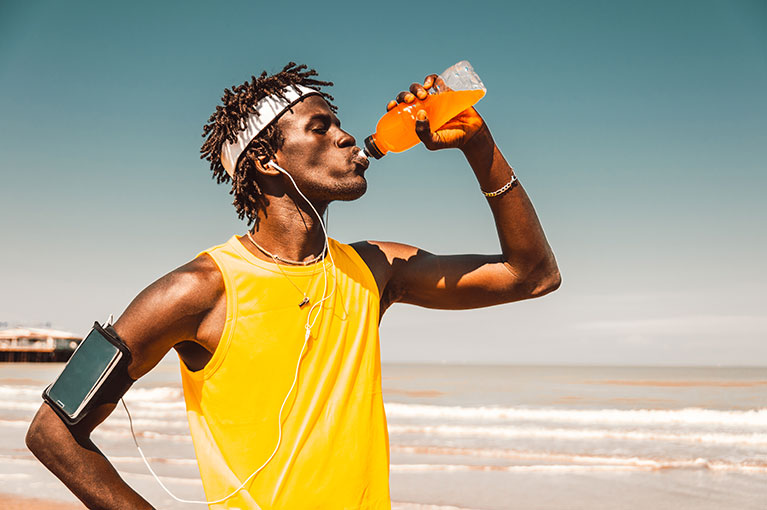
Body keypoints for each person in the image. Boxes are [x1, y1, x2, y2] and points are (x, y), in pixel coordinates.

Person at [25, 62, 560, 509]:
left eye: (339, 125)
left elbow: (533, 275)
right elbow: (52, 432)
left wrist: (480, 147)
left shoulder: (374, 269)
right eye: (320, 127)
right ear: (266, 159)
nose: (345, 137)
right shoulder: (198, 290)